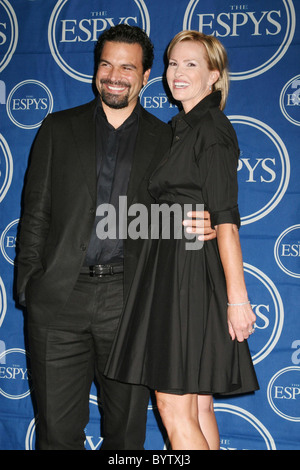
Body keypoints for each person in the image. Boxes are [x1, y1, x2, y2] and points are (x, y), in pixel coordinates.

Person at [17, 25, 215, 450]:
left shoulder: (168, 139)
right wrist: (31, 288)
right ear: (96, 70)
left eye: (128, 67)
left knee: (125, 438)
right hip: (58, 302)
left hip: (131, 303)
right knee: (56, 433)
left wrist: (203, 229)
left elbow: (180, 218)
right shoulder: (57, 129)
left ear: (146, 77)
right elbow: (34, 215)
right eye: (106, 64)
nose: (114, 75)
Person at [104, 30, 259, 450]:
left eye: (191, 64)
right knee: (197, 405)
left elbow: (225, 219)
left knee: (174, 407)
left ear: (214, 76)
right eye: (173, 63)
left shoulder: (210, 127)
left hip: (187, 277)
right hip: (178, 269)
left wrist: (238, 298)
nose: (177, 72)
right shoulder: (183, 128)